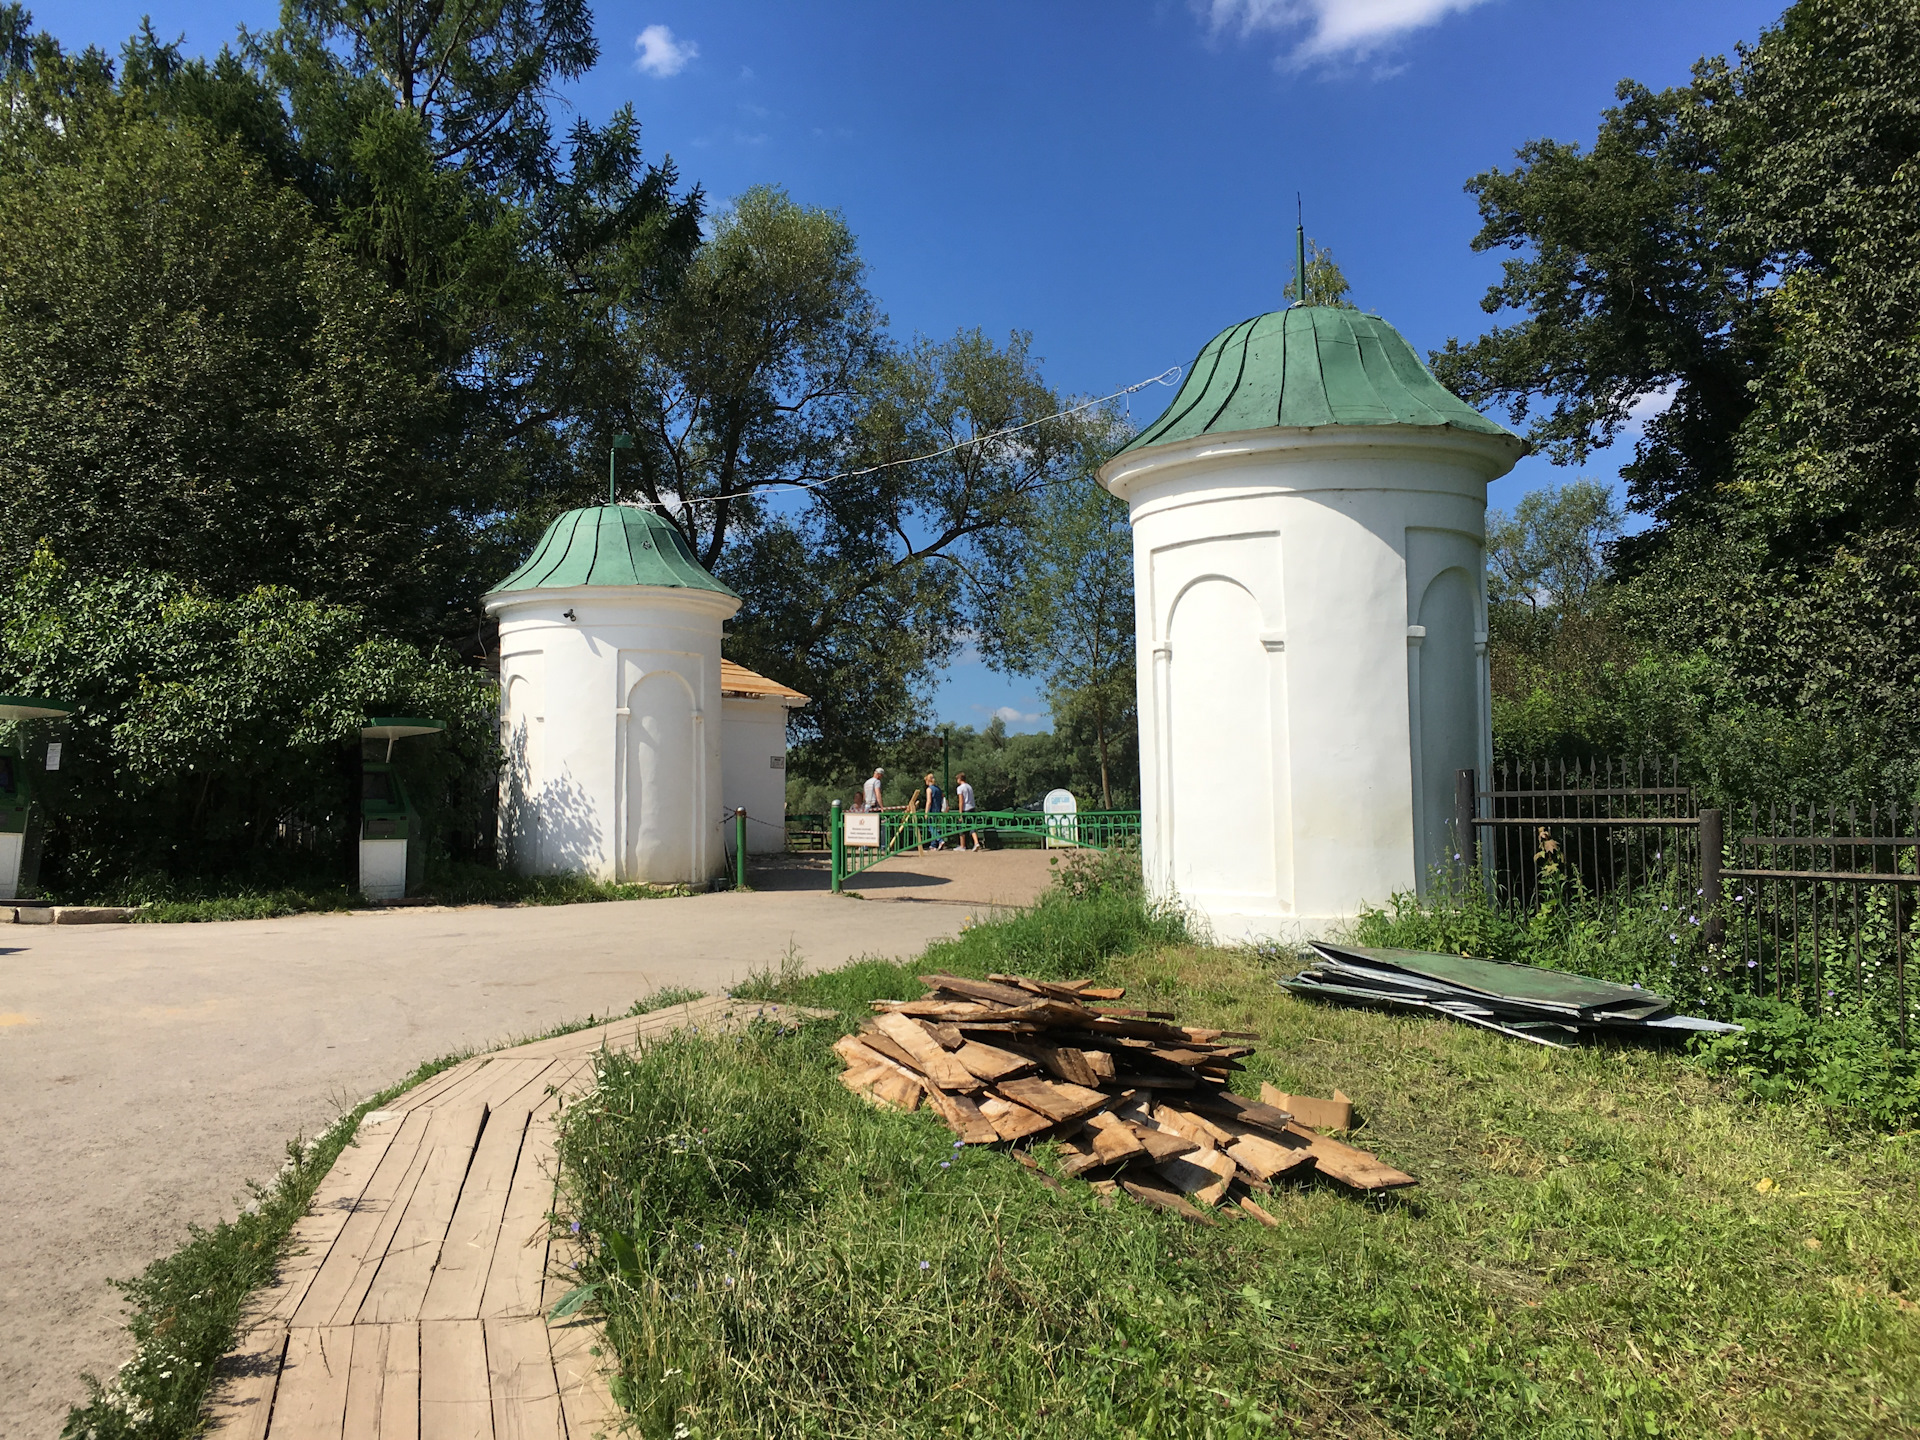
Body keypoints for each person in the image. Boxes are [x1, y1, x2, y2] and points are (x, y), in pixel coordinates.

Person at [955, 771, 981, 851]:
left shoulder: (960, 788)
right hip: (972, 808)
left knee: (961, 826)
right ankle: (976, 842)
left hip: (965, 809)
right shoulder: (969, 787)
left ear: (959, 779)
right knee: (972, 826)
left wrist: (960, 814)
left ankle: (962, 845)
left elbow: (961, 801)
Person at [923, 772, 946, 849]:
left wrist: (926, 812)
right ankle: (933, 845)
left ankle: (940, 840)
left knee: (931, 827)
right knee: (935, 826)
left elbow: (929, 801)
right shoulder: (938, 789)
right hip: (938, 809)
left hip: (932, 810)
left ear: (927, 781)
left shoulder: (929, 789)